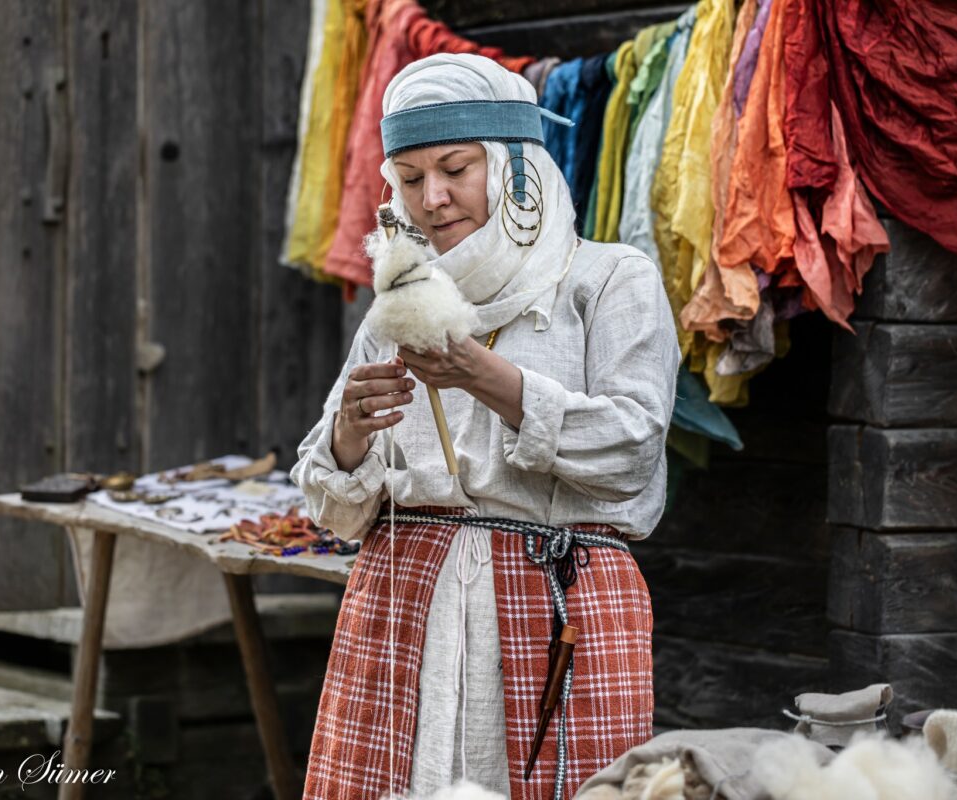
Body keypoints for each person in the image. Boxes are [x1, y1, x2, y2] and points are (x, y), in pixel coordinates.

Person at [291, 52, 680, 800]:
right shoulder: (398, 305)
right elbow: (334, 510)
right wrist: (349, 433)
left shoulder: (608, 280)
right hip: (403, 592)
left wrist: (488, 379)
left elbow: (633, 452)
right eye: (409, 178)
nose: (432, 197)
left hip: (562, 596)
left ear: (513, 168)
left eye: (455, 167)